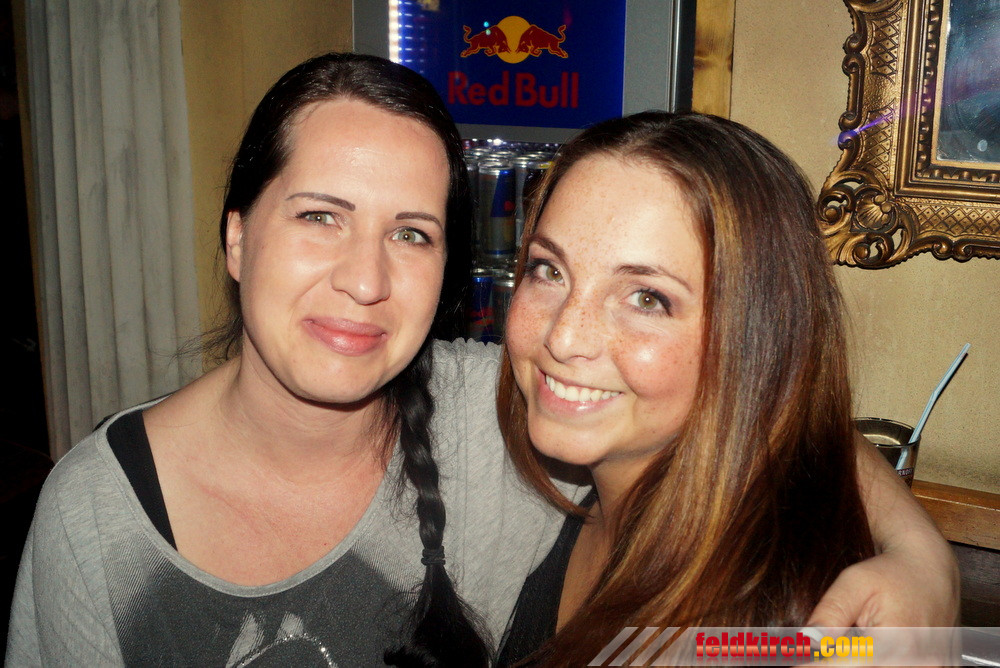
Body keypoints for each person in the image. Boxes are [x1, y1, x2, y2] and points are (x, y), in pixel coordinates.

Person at [7, 55, 953, 667]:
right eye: (320, 216)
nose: (365, 279)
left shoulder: (492, 422)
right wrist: (924, 556)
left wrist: (919, 564)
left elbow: (763, 415)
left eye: (411, 233)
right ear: (238, 237)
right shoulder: (98, 519)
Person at [495, 111, 958, 666]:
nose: (564, 337)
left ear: (752, 340)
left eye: (647, 298)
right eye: (549, 270)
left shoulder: (762, 638)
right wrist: (923, 549)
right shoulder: (588, 485)